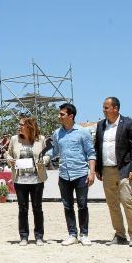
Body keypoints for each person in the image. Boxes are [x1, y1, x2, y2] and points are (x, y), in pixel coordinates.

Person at [94, 97, 132, 247]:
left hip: (124, 169)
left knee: (127, 201)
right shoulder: (100, 125)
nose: (103, 110)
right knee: (112, 204)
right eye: (103, 107)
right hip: (107, 169)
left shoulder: (128, 123)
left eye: (106, 107)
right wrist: (98, 169)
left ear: (115, 108)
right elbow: (97, 148)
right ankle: (120, 235)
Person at [50, 103, 96, 246]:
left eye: (62, 114)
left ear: (71, 116)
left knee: (82, 205)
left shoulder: (83, 132)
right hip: (64, 174)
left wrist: (92, 172)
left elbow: (91, 153)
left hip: (81, 174)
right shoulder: (57, 133)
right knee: (67, 206)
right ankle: (72, 234)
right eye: (59, 113)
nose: (59, 116)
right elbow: (55, 151)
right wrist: (45, 156)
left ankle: (84, 234)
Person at [6, 116, 50, 246]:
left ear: (29, 126)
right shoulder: (14, 139)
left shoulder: (41, 139)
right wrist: (10, 160)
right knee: (22, 209)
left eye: (21, 125)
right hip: (20, 180)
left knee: (37, 208)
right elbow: (8, 154)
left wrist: (44, 160)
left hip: (37, 179)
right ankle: (24, 236)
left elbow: (47, 154)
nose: (18, 127)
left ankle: (39, 236)